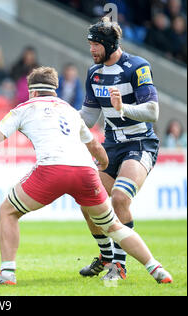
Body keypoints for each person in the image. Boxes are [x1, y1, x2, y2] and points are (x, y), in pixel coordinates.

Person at [0, 66, 172, 285]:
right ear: (55, 90)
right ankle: (156, 268)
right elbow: (96, 148)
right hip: (86, 171)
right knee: (113, 225)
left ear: (32, 91)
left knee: (8, 211)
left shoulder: (24, 109)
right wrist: (104, 164)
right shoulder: (70, 110)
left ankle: (8, 273)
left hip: (52, 170)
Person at [79, 17, 161, 281]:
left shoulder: (137, 67)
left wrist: (122, 109)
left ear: (109, 44)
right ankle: (105, 257)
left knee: (120, 198)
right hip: (110, 146)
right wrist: (59, 120)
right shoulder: (94, 73)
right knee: (88, 200)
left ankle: (120, 266)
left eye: (95, 45)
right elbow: (88, 118)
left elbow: (152, 111)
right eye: (90, 44)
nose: (91, 49)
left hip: (140, 144)